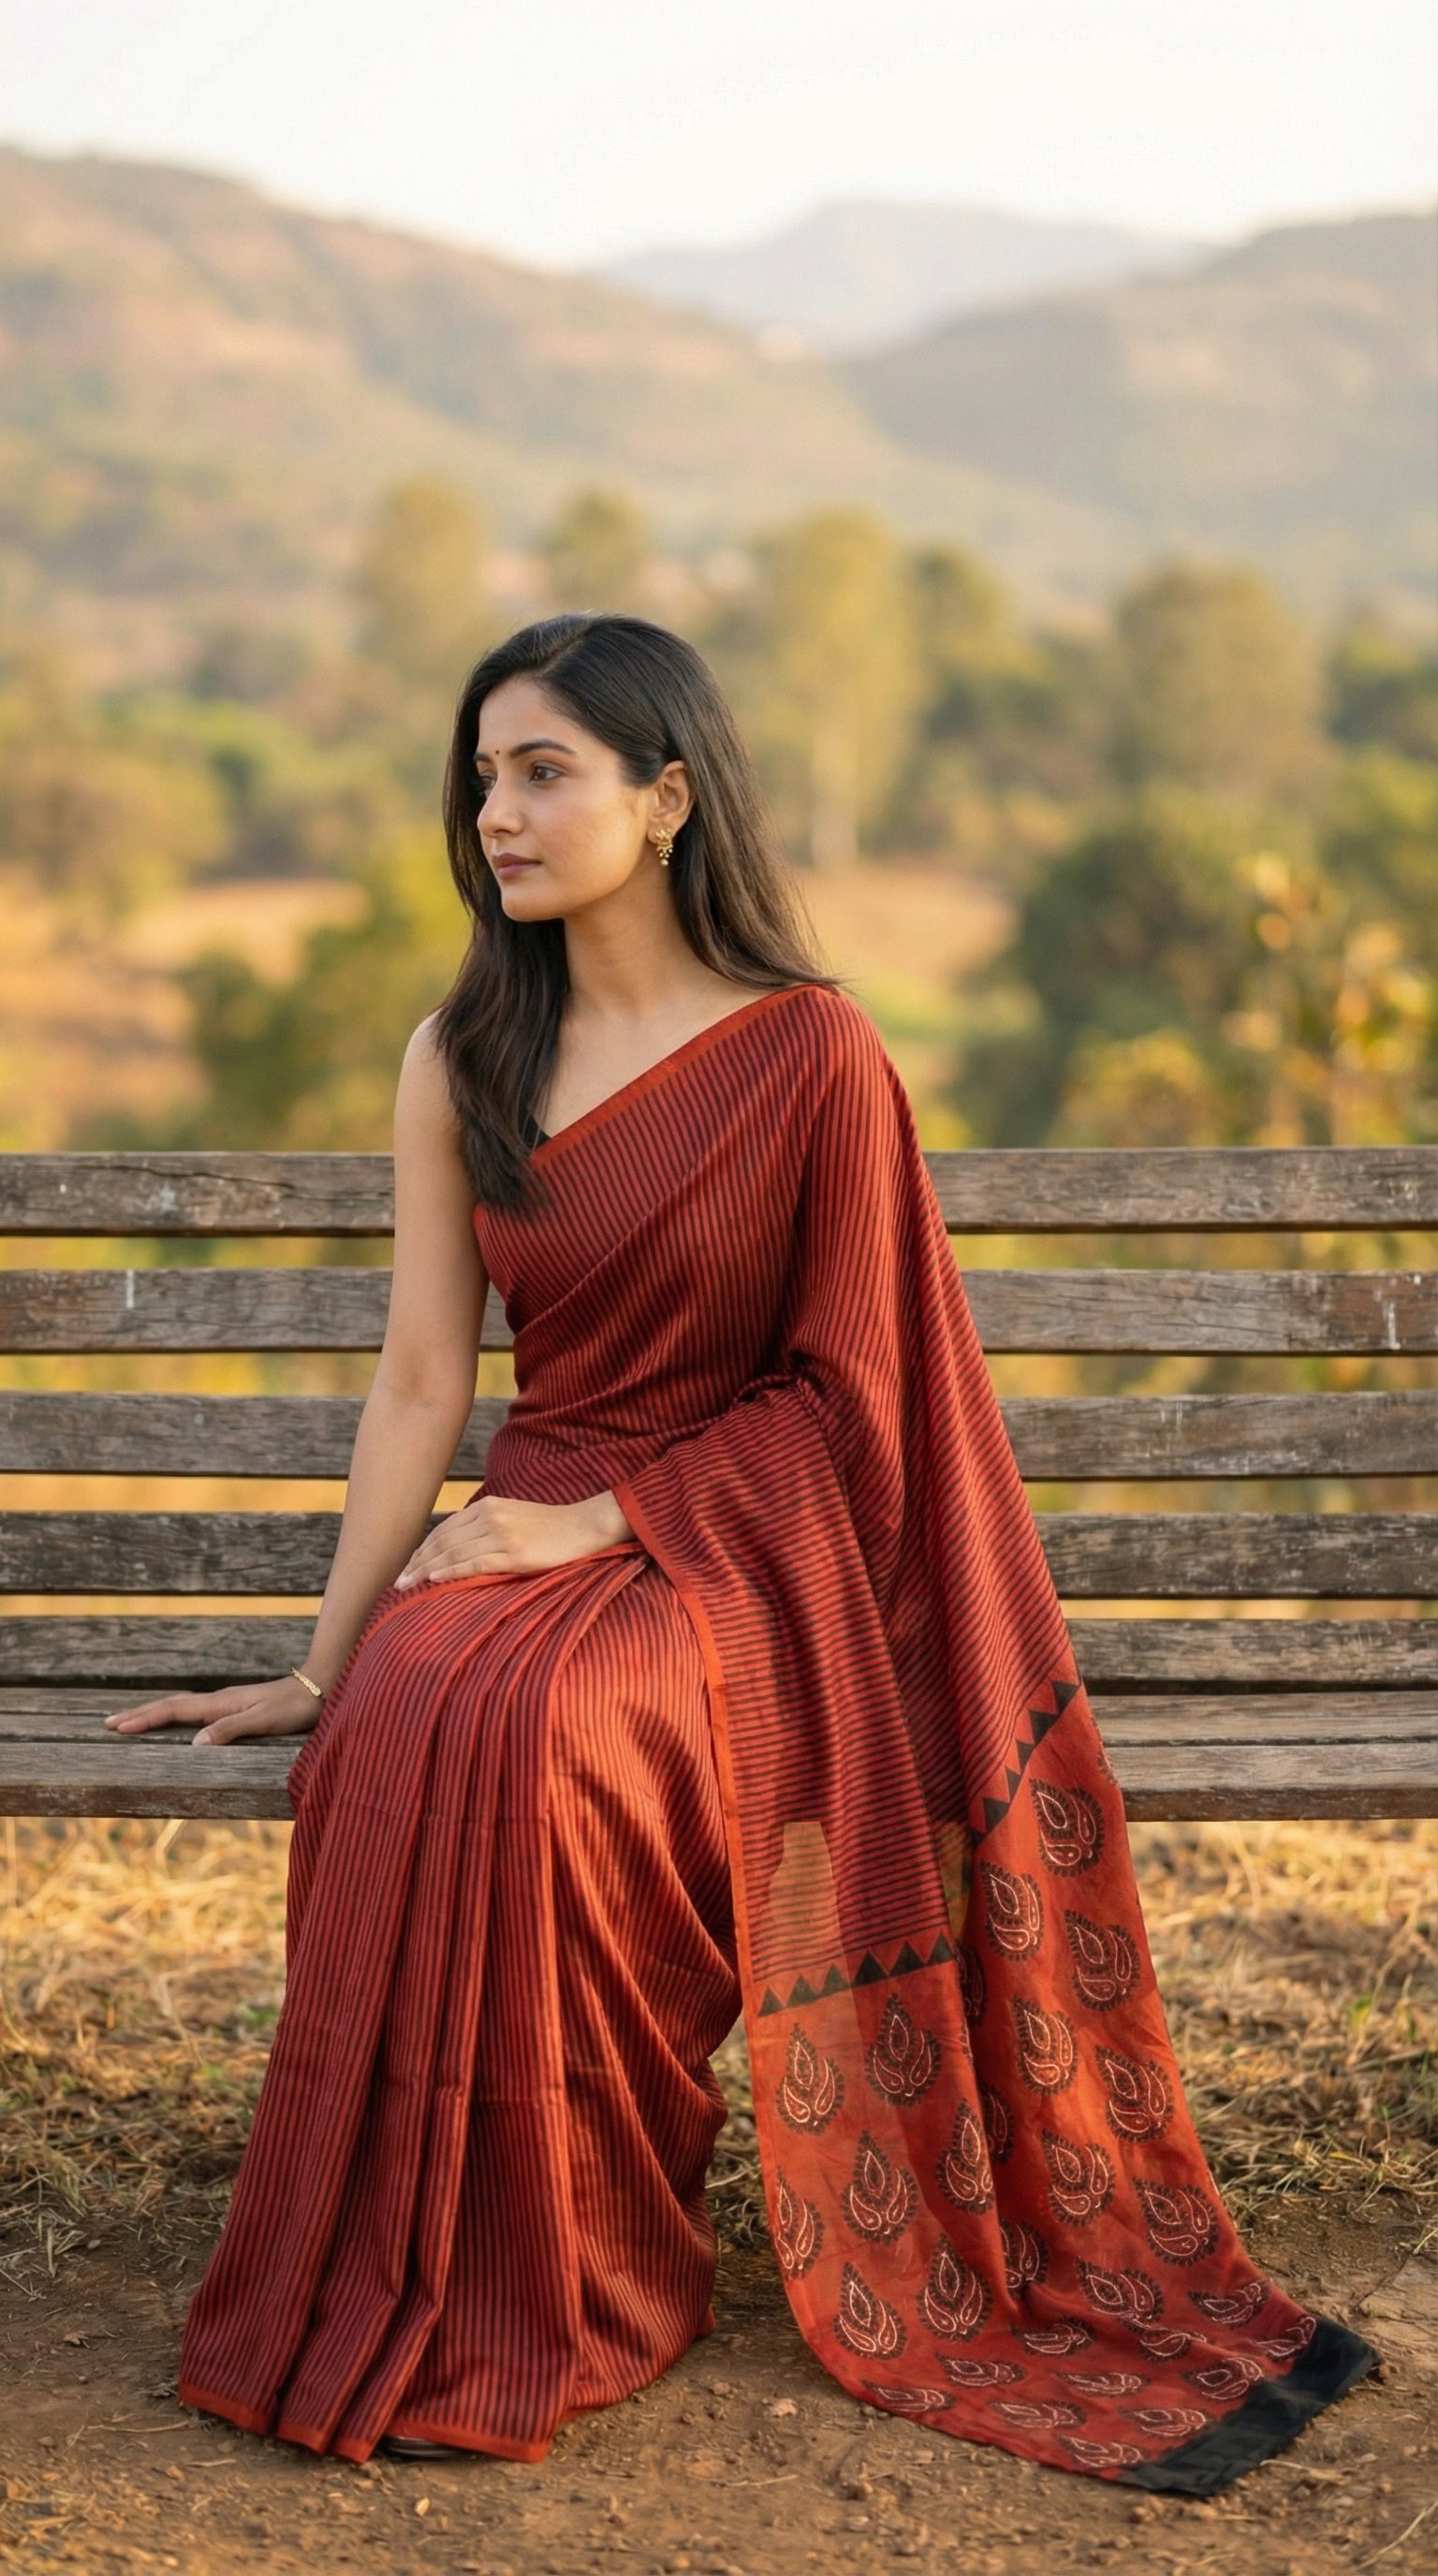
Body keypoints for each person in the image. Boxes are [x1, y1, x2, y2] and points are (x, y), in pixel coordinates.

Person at [109, 615, 1372, 2488]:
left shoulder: (812, 1055)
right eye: (481, 776)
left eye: (542, 771)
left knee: (546, 1739)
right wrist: (318, 1654)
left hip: (740, 1553)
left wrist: (599, 1516)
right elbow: (414, 1380)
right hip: (532, 1512)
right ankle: (390, 2266)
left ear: (667, 793)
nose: (497, 814)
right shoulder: (464, 1049)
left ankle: (594, 2276)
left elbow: (852, 1399)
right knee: (395, 1720)